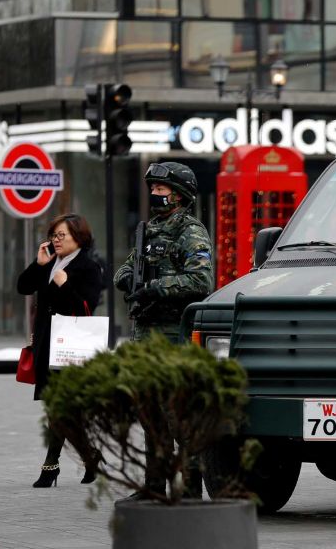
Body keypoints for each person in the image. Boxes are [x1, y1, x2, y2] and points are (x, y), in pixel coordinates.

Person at [113, 161, 213, 499]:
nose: (155, 195)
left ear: (179, 195)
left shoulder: (190, 231)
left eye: (161, 190)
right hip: (145, 334)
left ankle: (189, 488)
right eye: (153, 189)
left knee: (178, 417)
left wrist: (158, 286)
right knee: (150, 414)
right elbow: (126, 267)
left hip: (173, 335)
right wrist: (126, 278)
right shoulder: (149, 230)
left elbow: (202, 280)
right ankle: (154, 485)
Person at [17, 213, 104, 488]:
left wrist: (65, 284)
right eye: (53, 235)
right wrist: (38, 264)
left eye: (61, 235)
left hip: (72, 347)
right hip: (47, 344)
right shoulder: (50, 263)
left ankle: (50, 467)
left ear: (78, 237)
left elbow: (86, 308)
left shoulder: (89, 266)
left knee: (60, 407)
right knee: (65, 410)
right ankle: (91, 458)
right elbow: (23, 287)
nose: (55, 240)